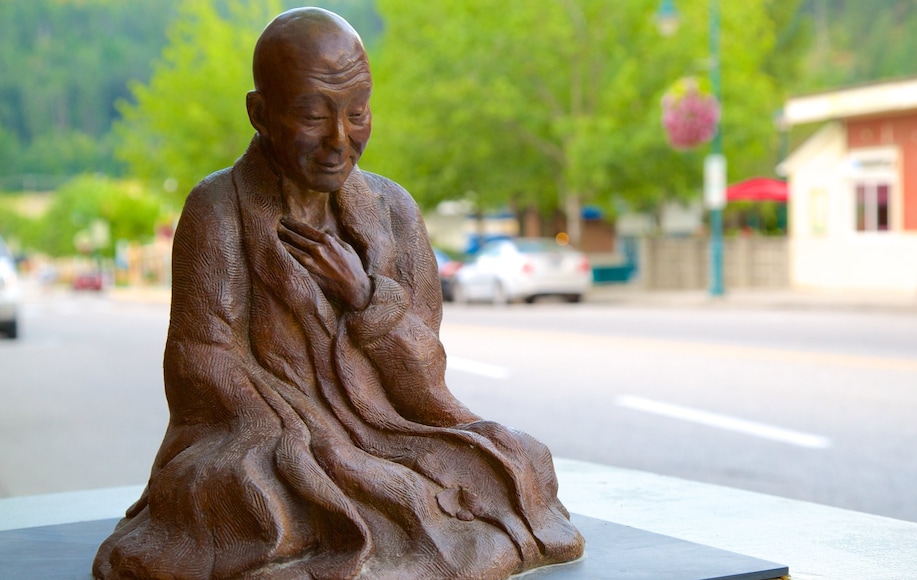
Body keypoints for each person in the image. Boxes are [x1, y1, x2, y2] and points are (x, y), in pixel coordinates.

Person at [93, 8, 583, 579]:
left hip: (393, 426)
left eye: (357, 114)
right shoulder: (218, 208)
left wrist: (365, 296)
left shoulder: (393, 209)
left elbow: (426, 365)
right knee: (262, 496)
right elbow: (200, 358)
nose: (339, 140)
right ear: (260, 114)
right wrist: (298, 433)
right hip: (266, 434)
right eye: (312, 116)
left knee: (517, 457)